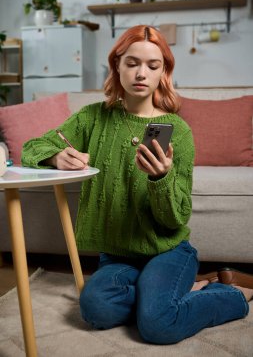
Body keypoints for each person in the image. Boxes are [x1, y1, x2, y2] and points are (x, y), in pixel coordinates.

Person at [22, 25, 253, 345]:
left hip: (168, 252)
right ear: (116, 65)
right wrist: (55, 157)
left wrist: (161, 179)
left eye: (152, 66)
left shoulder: (178, 131)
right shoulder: (92, 118)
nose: (141, 73)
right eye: (132, 63)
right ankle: (166, 294)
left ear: (164, 72)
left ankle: (230, 296)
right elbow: (31, 147)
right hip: (117, 256)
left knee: (158, 325)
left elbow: (176, 218)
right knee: (95, 309)